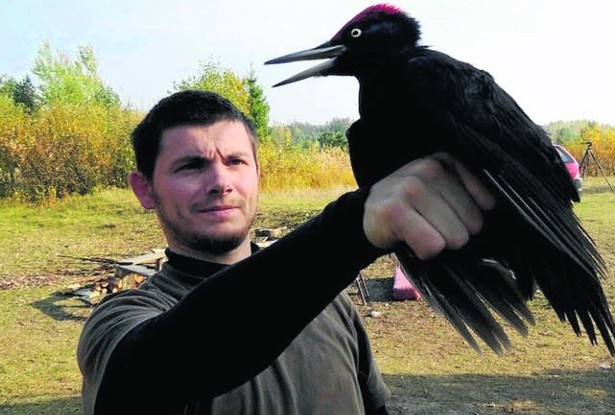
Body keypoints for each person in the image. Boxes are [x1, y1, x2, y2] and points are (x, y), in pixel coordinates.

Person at [77, 89, 495, 415]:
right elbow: (158, 367)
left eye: (236, 161)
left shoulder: (329, 301)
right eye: (191, 166)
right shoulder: (121, 320)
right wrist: (351, 229)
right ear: (144, 189)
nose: (221, 181)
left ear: (259, 175)